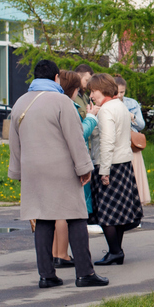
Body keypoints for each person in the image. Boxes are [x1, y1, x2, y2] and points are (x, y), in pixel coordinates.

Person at [9, 59, 107, 288]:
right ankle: (84, 273)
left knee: (43, 219)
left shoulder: (20, 102)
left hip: (33, 169)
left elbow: (14, 141)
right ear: (56, 78)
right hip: (60, 168)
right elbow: (74, 139)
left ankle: (46, 275)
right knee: (76, 218)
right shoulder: (61, 101)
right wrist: (84, 168)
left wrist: (17, 171)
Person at [89, 73, 143, 265]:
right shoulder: (120, 106)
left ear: (102, 90)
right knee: (118, 212)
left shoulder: (105, 110)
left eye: (93, 91)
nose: (91, 95)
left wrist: (104, 170)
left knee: (107, 213)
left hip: (110, 165)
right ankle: (116, 251)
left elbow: (107, 141)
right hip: (124, 163)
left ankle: (114, 251)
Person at [50, 70, 98, 268]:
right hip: (68, 163)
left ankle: (55, 253)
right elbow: (79, 135)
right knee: (65, 211)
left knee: (54, 211)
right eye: (78, 87)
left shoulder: (52, 104)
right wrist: (92, 118)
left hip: (52, 163)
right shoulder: (68, 106)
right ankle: (62, 254)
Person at [114, 75, 150, 207]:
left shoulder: (132, 103)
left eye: (122, 92)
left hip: (132, 146)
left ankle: (136, 211)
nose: (118, 95)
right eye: (116, 92)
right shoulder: (107, 103)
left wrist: (131, 116)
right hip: (117, 146)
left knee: (136, 180)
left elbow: (141, 125)